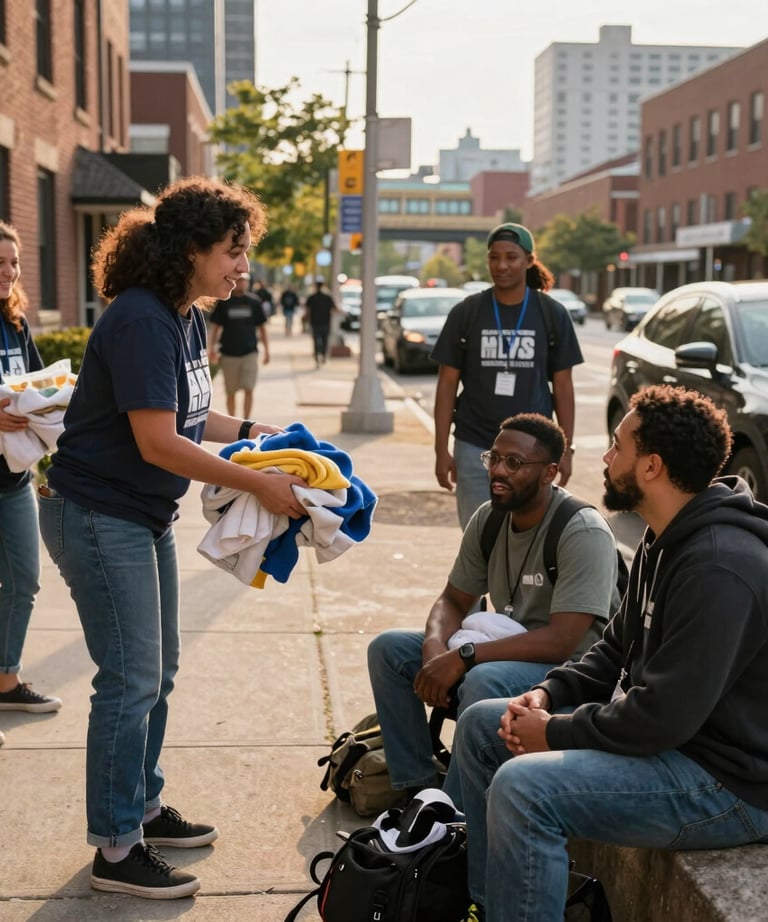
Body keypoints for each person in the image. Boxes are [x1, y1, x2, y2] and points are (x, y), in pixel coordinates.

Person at [37, 176, 308, 899]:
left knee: (157, 672)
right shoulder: (140, 319)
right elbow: (159, 442)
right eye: (232, 251)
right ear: (189, 250)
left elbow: (188, 414)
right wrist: (258, 482)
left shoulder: (185, 316)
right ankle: (116, 849)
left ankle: (144, 810)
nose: (242, 267)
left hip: (139, 515)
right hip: (97, 513)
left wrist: (253, 435)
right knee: (128, 680)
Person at [454, 385, 768, 922]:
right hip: (679, 746)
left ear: (651, 467)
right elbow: (611, 651)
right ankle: (484, 905)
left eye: (617, 445)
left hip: (728, 784)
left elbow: (660, 716)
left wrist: (552, 731)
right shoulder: (664, 537)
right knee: (486, 724)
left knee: (525, 790)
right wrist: (546, 692)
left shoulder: (718, 565)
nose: (604, 456)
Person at [367, 413, 620, 804]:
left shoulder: (580, 531)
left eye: (515, 463)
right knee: (388, 650)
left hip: (570, 671)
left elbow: (562, 640)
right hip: (503, 646)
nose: (498, 471)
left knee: (483, 681)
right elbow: (453, 599)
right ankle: (416, 794)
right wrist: (435, 648)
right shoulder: (488, 518)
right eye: (494, 458)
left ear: (550, 472)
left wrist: (464, 657)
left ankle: (455, 818)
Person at [431, 223, 584, 529]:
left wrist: (565, 451)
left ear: (529, 261)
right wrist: (441, 450)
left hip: (533, 451)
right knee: (478, 536)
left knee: (527, 539)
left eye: (511, 257)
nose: (501, 265)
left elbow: (564, 387)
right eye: (494, 257)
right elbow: (447, 384)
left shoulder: (551, 313)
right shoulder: (467, 312)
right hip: (475, 446)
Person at [0, 220, 62, 741]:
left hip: (12, 476)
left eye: (13, 262)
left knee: (24, 579)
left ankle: (6, 680)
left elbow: (42, 387)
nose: (9, 271)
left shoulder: (15, 323)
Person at [208, 273, 270, 419]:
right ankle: (234, 421)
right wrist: (212, 349)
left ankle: (246, 421)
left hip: (249, 353)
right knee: (231, 392)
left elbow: (262, 328)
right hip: (229, 354)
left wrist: (267, 350)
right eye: (239, 280)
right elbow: (215, 327)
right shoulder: (224, 302)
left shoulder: (254, 302)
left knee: (249, 388)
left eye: (244, 281)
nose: (241, 283)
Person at [304, 278, 336, 367]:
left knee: (316, 341)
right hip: (325, 322)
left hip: (315, 323)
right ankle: (323, 356)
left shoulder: (312, 298)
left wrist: (305, 320)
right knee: (325, 341)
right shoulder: (328, 298)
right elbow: (335, 308)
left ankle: (317, 357)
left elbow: (307, 311)